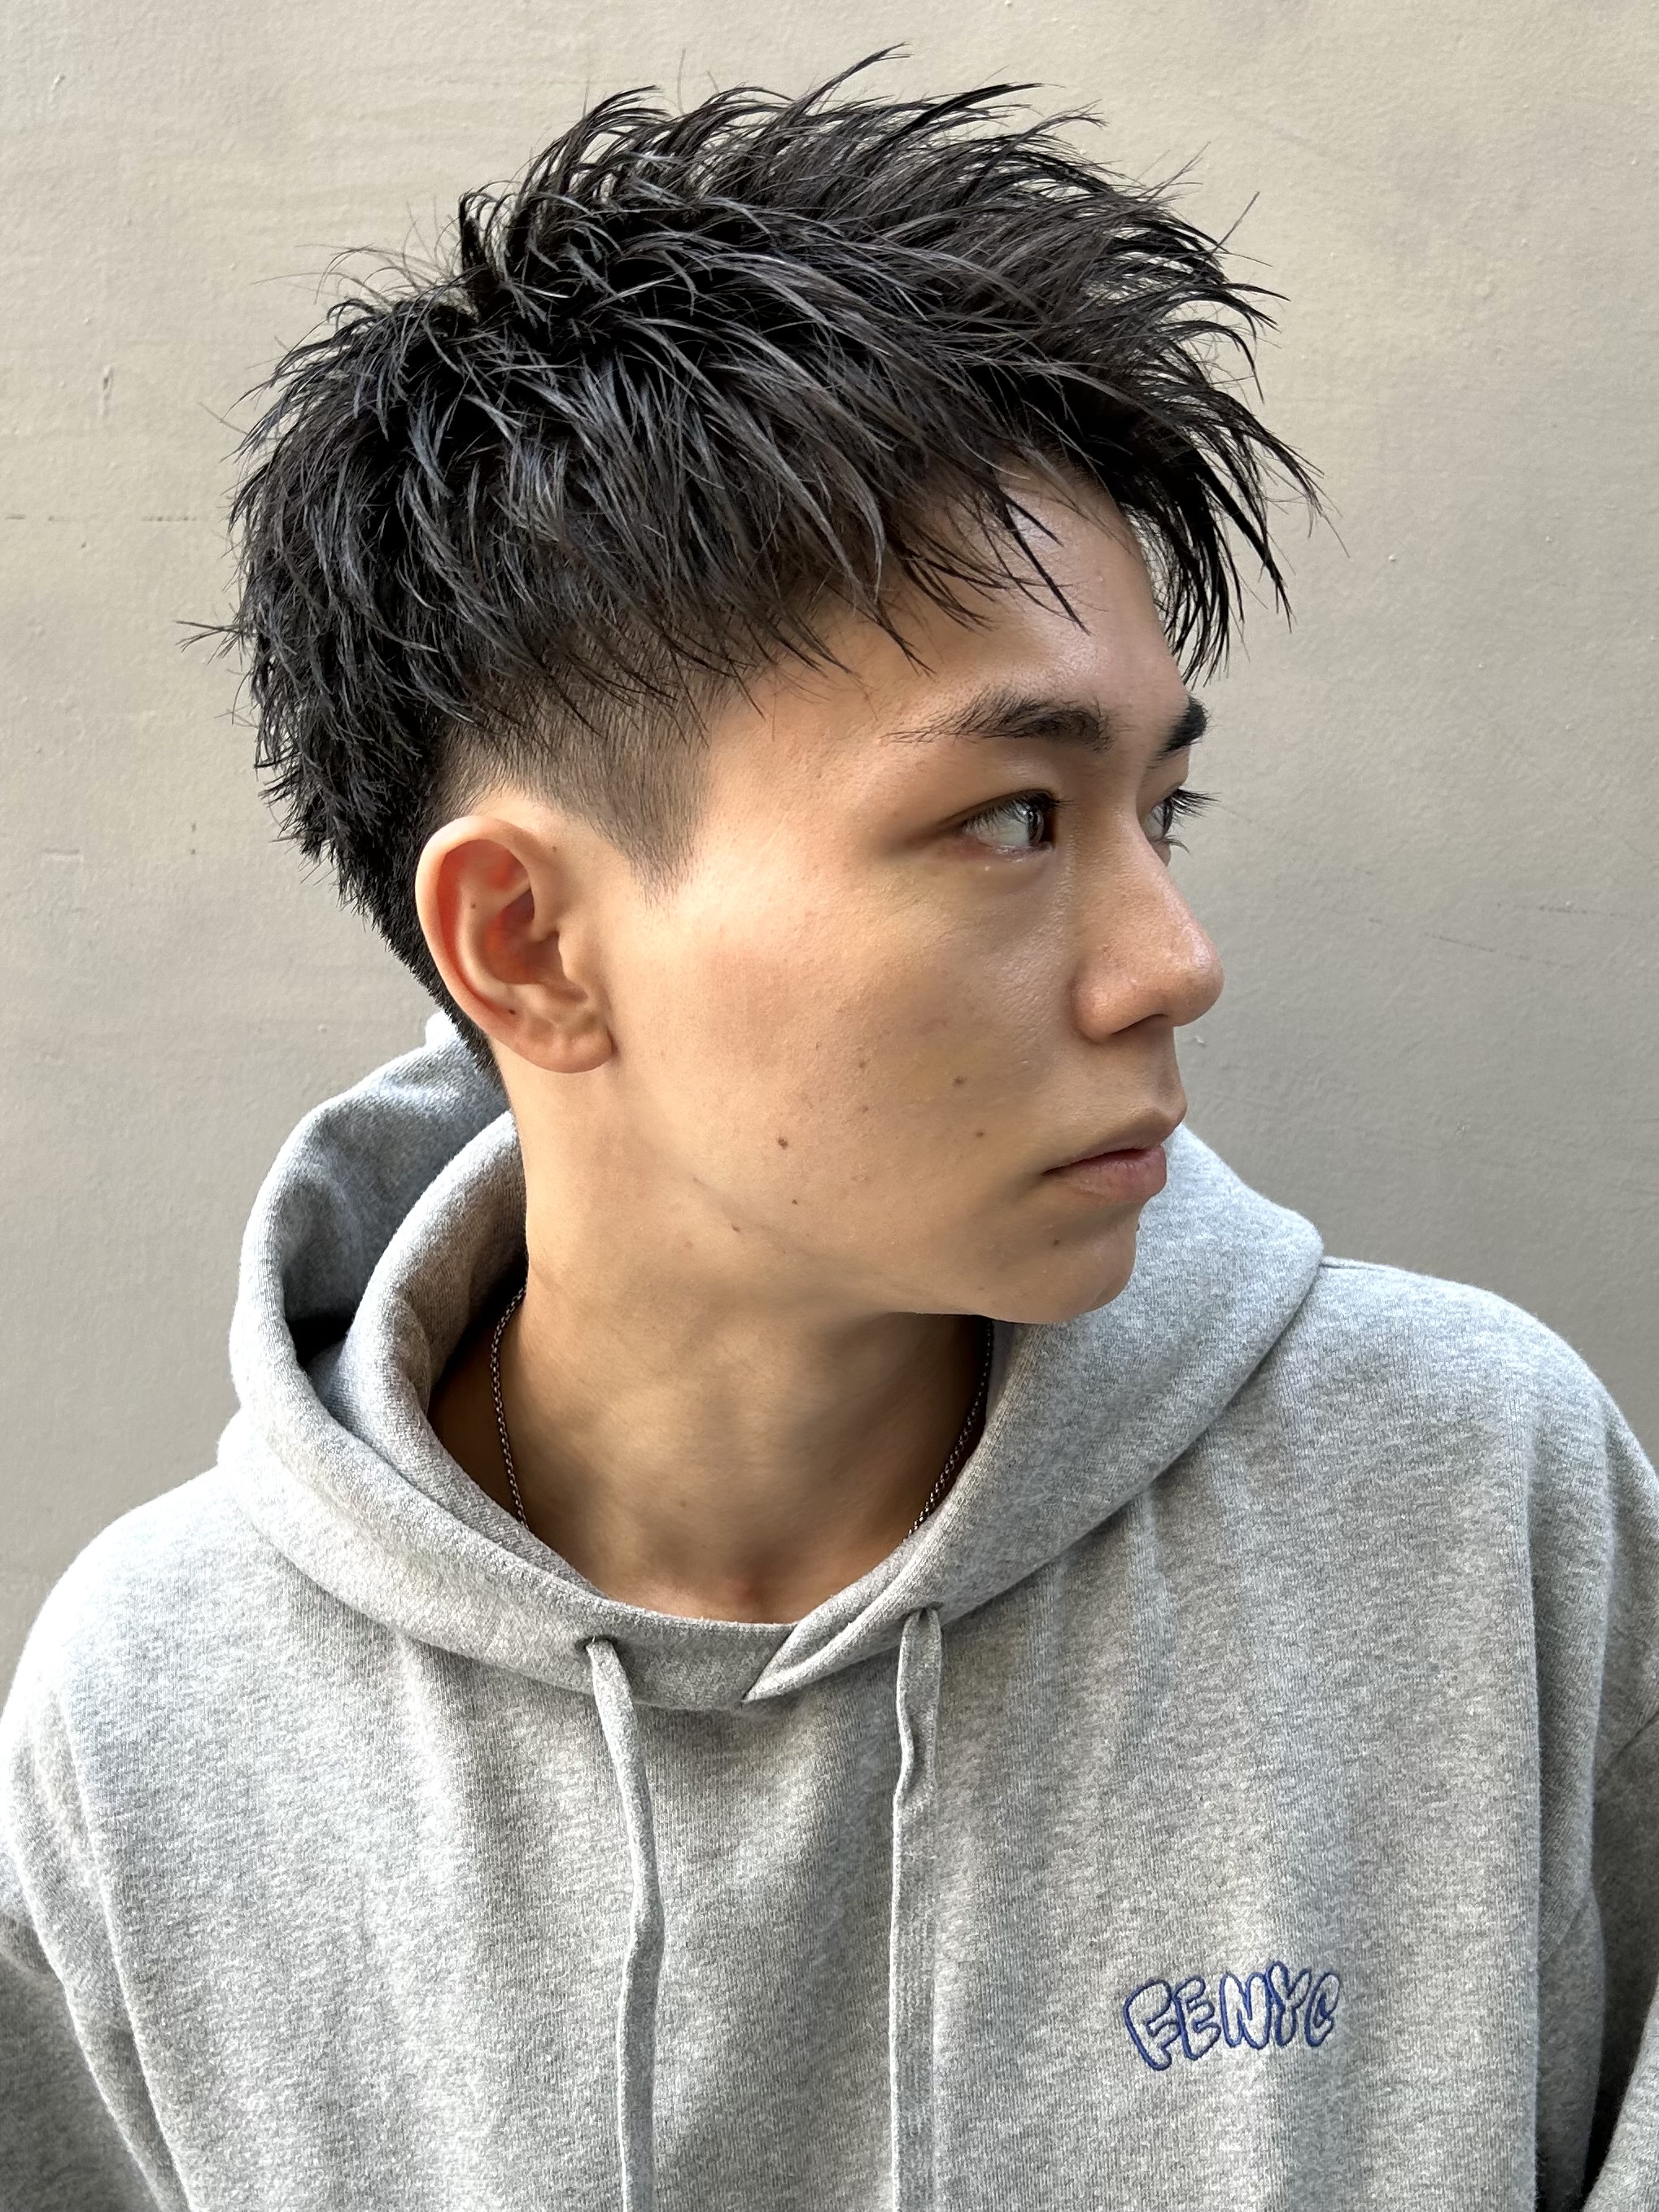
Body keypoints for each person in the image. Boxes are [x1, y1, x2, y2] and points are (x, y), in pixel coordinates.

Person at [1, 61, 1654, 2212]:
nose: (1170, 965)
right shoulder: (159, 1720)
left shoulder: (1470, 1506)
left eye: (1159, 809)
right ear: (531, 946)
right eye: (1011, 818)